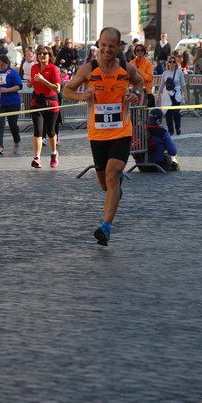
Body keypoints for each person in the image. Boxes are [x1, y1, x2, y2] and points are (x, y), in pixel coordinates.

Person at [63, 26, 144, 246]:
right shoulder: (89, 69)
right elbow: (66, 90)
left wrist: (134, 94)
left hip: (121, 131)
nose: (107, 50)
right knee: (105, 185)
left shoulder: (126, 68)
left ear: (119, 47)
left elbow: (141, 83)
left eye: (112, 46)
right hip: (97, 134)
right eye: (104, 45)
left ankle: (105, 226)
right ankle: (115, 190)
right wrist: (82, 95)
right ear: (98, 43)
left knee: (112, 172)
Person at [27, 45, 61, 169]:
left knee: (51, 131)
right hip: (37, 101)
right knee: (38, 130)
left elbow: (57, 88)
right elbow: (33, 83)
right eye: (40, 53)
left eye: (45, 53)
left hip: (51, 102)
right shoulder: (34, 67)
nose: (42, 55)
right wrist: (31, 84)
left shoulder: (53, 69)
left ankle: (53, 153)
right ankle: (37, 157)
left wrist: (43, 80)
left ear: (49, 55)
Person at [0, 54, 23, 155]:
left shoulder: (12, 73)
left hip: (13, 102)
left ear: (7, 64)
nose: (1, 67)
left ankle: (16, 140)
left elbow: (19, 86)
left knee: (12, 124)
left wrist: (7, 90)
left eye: (3, 65)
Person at [157, 55, 187, 136]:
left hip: (176, 94)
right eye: (170, 62)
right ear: (168, 63)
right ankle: (170, 130)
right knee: (168, 113)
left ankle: (178, 127)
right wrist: (158, 95)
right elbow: (162, 85)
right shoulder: (165, 73)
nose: (172, 63)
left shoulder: (179, 72)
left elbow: (183, 84)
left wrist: (185, 94)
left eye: (174, 62)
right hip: (167, 94)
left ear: (176, 63)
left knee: (176, 112)